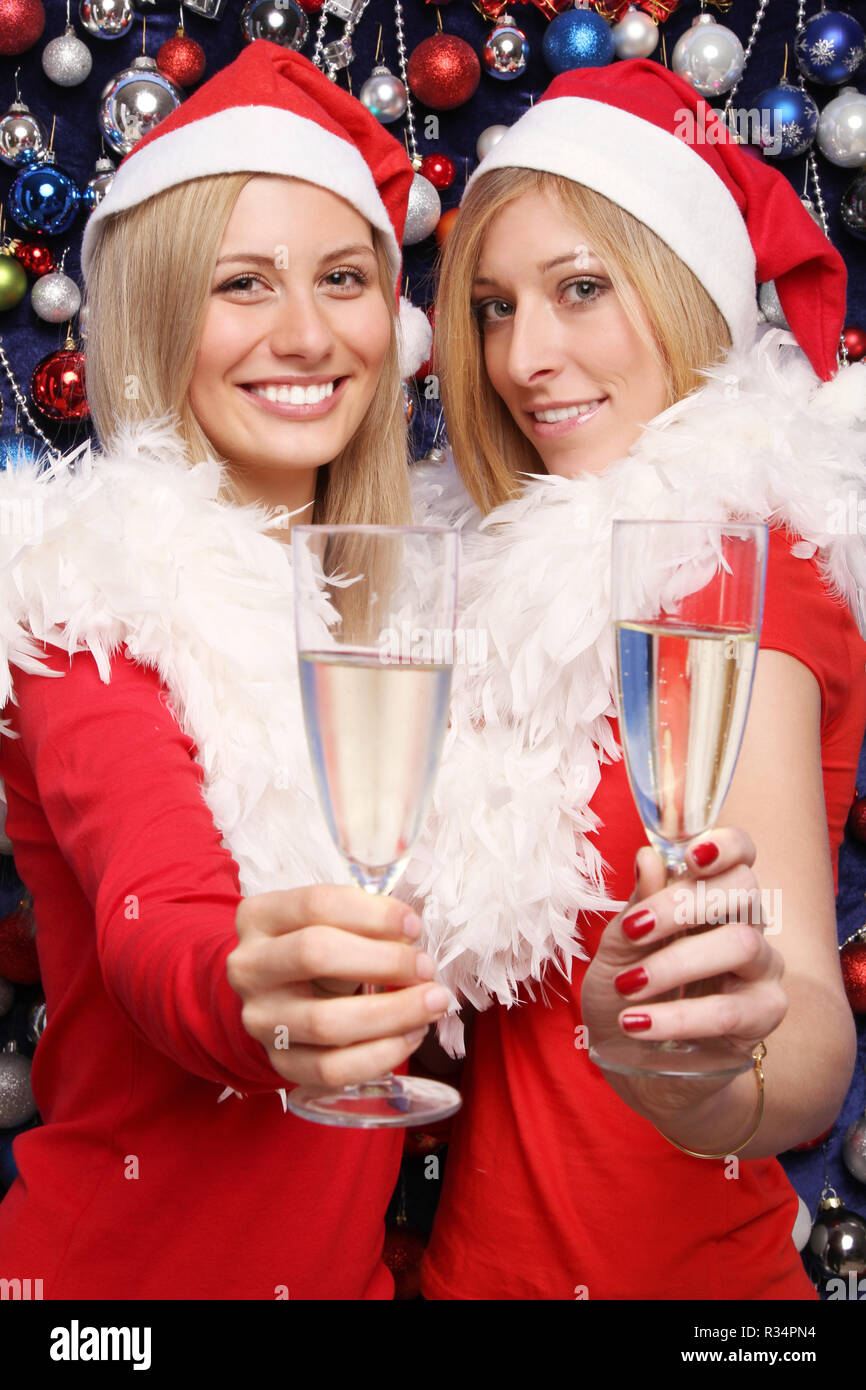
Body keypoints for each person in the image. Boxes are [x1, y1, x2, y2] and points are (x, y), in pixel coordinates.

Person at [402, 59, 866, 1300]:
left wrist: (696, 1075)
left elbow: (799, 1015)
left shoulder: (729, 577)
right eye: (492, 308)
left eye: (579, 289)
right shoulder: (486, 586)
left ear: (682, 291)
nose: (522, 357)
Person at [0, 40, 450, 1300]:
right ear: (157, 316)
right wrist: (254, 995)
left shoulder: (414, 612)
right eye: (241, 284)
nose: (305, 334)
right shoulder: (85, 602)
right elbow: (160, 923)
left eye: (342, 278)